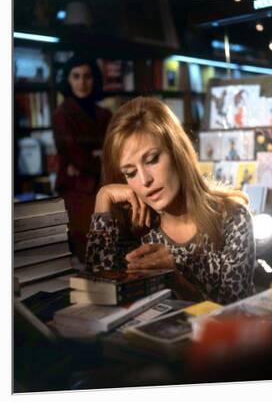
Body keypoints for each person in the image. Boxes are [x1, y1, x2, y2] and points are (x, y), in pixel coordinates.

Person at [85, 97, 256, 305]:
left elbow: (233, 315)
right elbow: (96, 299)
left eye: (152, 160)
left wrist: (175, 277)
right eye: (130, 173)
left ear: (177, 152)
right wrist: (102, 199)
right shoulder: (134, 226)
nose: (145, 180)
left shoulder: (232, 219)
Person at [52, 56, 112, 262]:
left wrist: (95, 157)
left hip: (100, 185)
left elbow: (112, 151)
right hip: (76, 190)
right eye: (76, 76)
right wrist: (98, 157)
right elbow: (75, 155)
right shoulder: (62, 114)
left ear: (94, 79)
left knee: (108, 244)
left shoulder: (104, 113)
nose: (82, 82)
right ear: (68, 80)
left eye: (87, 76)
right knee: (88, 248)